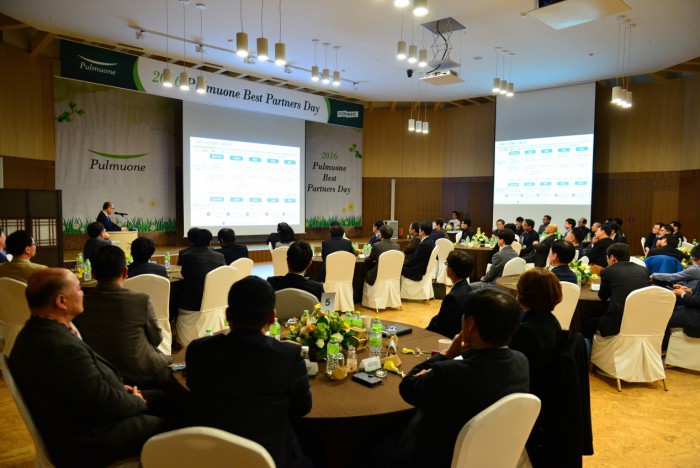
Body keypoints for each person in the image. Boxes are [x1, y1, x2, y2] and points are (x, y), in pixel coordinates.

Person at [10, 268, 167, 467]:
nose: (83, 293)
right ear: (61, 301)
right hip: (89, 439)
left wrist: (120, 389)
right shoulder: (59, 347)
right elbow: (104, 404)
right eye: (78, 289)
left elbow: (81, 387)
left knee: (162, 398)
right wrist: (136, 401)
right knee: (176, 422)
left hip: (79, 418)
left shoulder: (35, 332)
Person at [394, 288, 529, 468]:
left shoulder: (450, 372)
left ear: (471, 324)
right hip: (487, 454)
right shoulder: (521, 362)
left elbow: (408, 388)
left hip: (436, 456)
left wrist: (446, 354)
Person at [186, 276, 312, 468]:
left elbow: (194, 388)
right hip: (269, 458)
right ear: (272, 317)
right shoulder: (289, 355)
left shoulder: (198, 350)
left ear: (228, 315)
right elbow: (301, 408)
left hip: (210, 455)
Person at [509, 268, 591, 466]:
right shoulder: (552, 323)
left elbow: (513, 379)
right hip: (554, 414)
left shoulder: (525, 333)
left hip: (532, 416)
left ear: (521, 295)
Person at [73, 245, 173, 389]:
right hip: (143, 374)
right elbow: (156, 339)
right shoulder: (140, 300)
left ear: (93, 273)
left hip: (101, 376)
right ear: (125, 272)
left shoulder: (79, 305)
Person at [583, 243, 650, 338]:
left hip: (617, 322)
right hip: (641, 319)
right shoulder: (644, 270)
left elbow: (603, 296)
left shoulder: (608, 271)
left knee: (587, 323)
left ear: (612, 258)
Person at [426, 250, 474, 338]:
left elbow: (439, 324)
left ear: (450, 270)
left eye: (447, 264)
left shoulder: (452, 298)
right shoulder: (469, 289)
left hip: (448, 338)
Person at [179, 228, 226, 311]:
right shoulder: (220, 256)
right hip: (216, 299)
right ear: (209, 242)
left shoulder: (186, 256)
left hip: (192, 302)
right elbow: (223, 274)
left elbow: (184, 274)